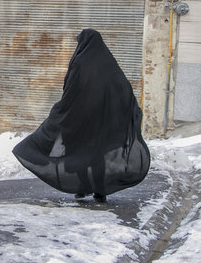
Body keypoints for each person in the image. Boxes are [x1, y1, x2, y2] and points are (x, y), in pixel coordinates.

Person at [12, 29, 150, 203]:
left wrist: (64, 109)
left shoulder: (80, 62)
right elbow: (123, 88)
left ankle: (82, 188)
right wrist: (129, 108)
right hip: (101, 121)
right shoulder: (109, 63)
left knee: (79, 152)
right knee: (97, 155)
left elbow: (70, 89)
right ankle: (100, 191)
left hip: (79, 118)